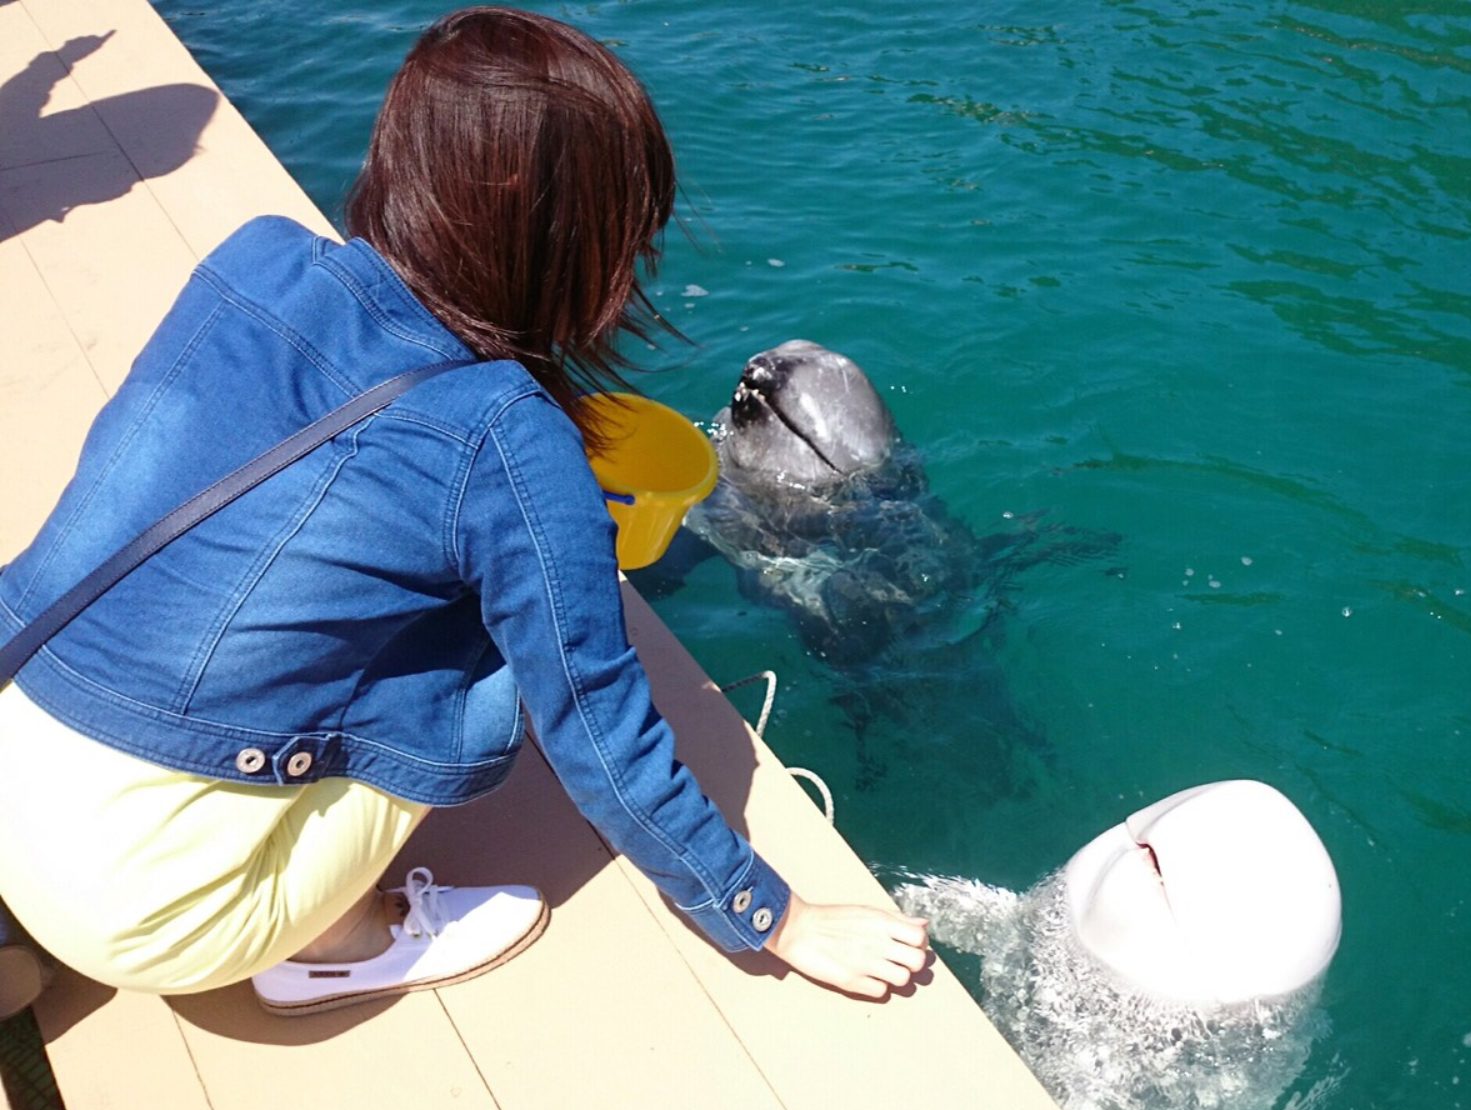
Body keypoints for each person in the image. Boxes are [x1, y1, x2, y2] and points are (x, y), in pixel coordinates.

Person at [0, 7, 927, 1014]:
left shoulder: (252, 258)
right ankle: (339, 938)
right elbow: (595, 727)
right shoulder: (509, 439)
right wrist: (773, 916)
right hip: (157, 906)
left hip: (14, 747)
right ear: (577, 244)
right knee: (484, 651)